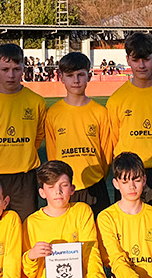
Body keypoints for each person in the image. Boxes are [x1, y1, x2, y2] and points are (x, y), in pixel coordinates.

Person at [107, 32, 152, 213]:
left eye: (146, 59)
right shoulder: (116, 100)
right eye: (136, 59)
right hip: (130, 174)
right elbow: (114, 139)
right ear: (128, 60)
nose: (141, 65)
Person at [0, 43, 46, 220]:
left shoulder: (36, 102)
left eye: (16, 69)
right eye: (5, 69)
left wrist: (22, 155)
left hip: (25, 176)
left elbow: (38, 137)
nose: (11, 75)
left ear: (23, 69)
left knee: (26, 224)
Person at [44, 52, 114, 213]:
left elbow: (106, 153)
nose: (76, 80)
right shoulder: (53, 113)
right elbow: (52, 154)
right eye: (70, 75)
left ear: (89, 76)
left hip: (95, 184)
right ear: (61, 77)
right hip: (64, 188)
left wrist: (98, 176)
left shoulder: (100, 112)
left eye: (80, 75)